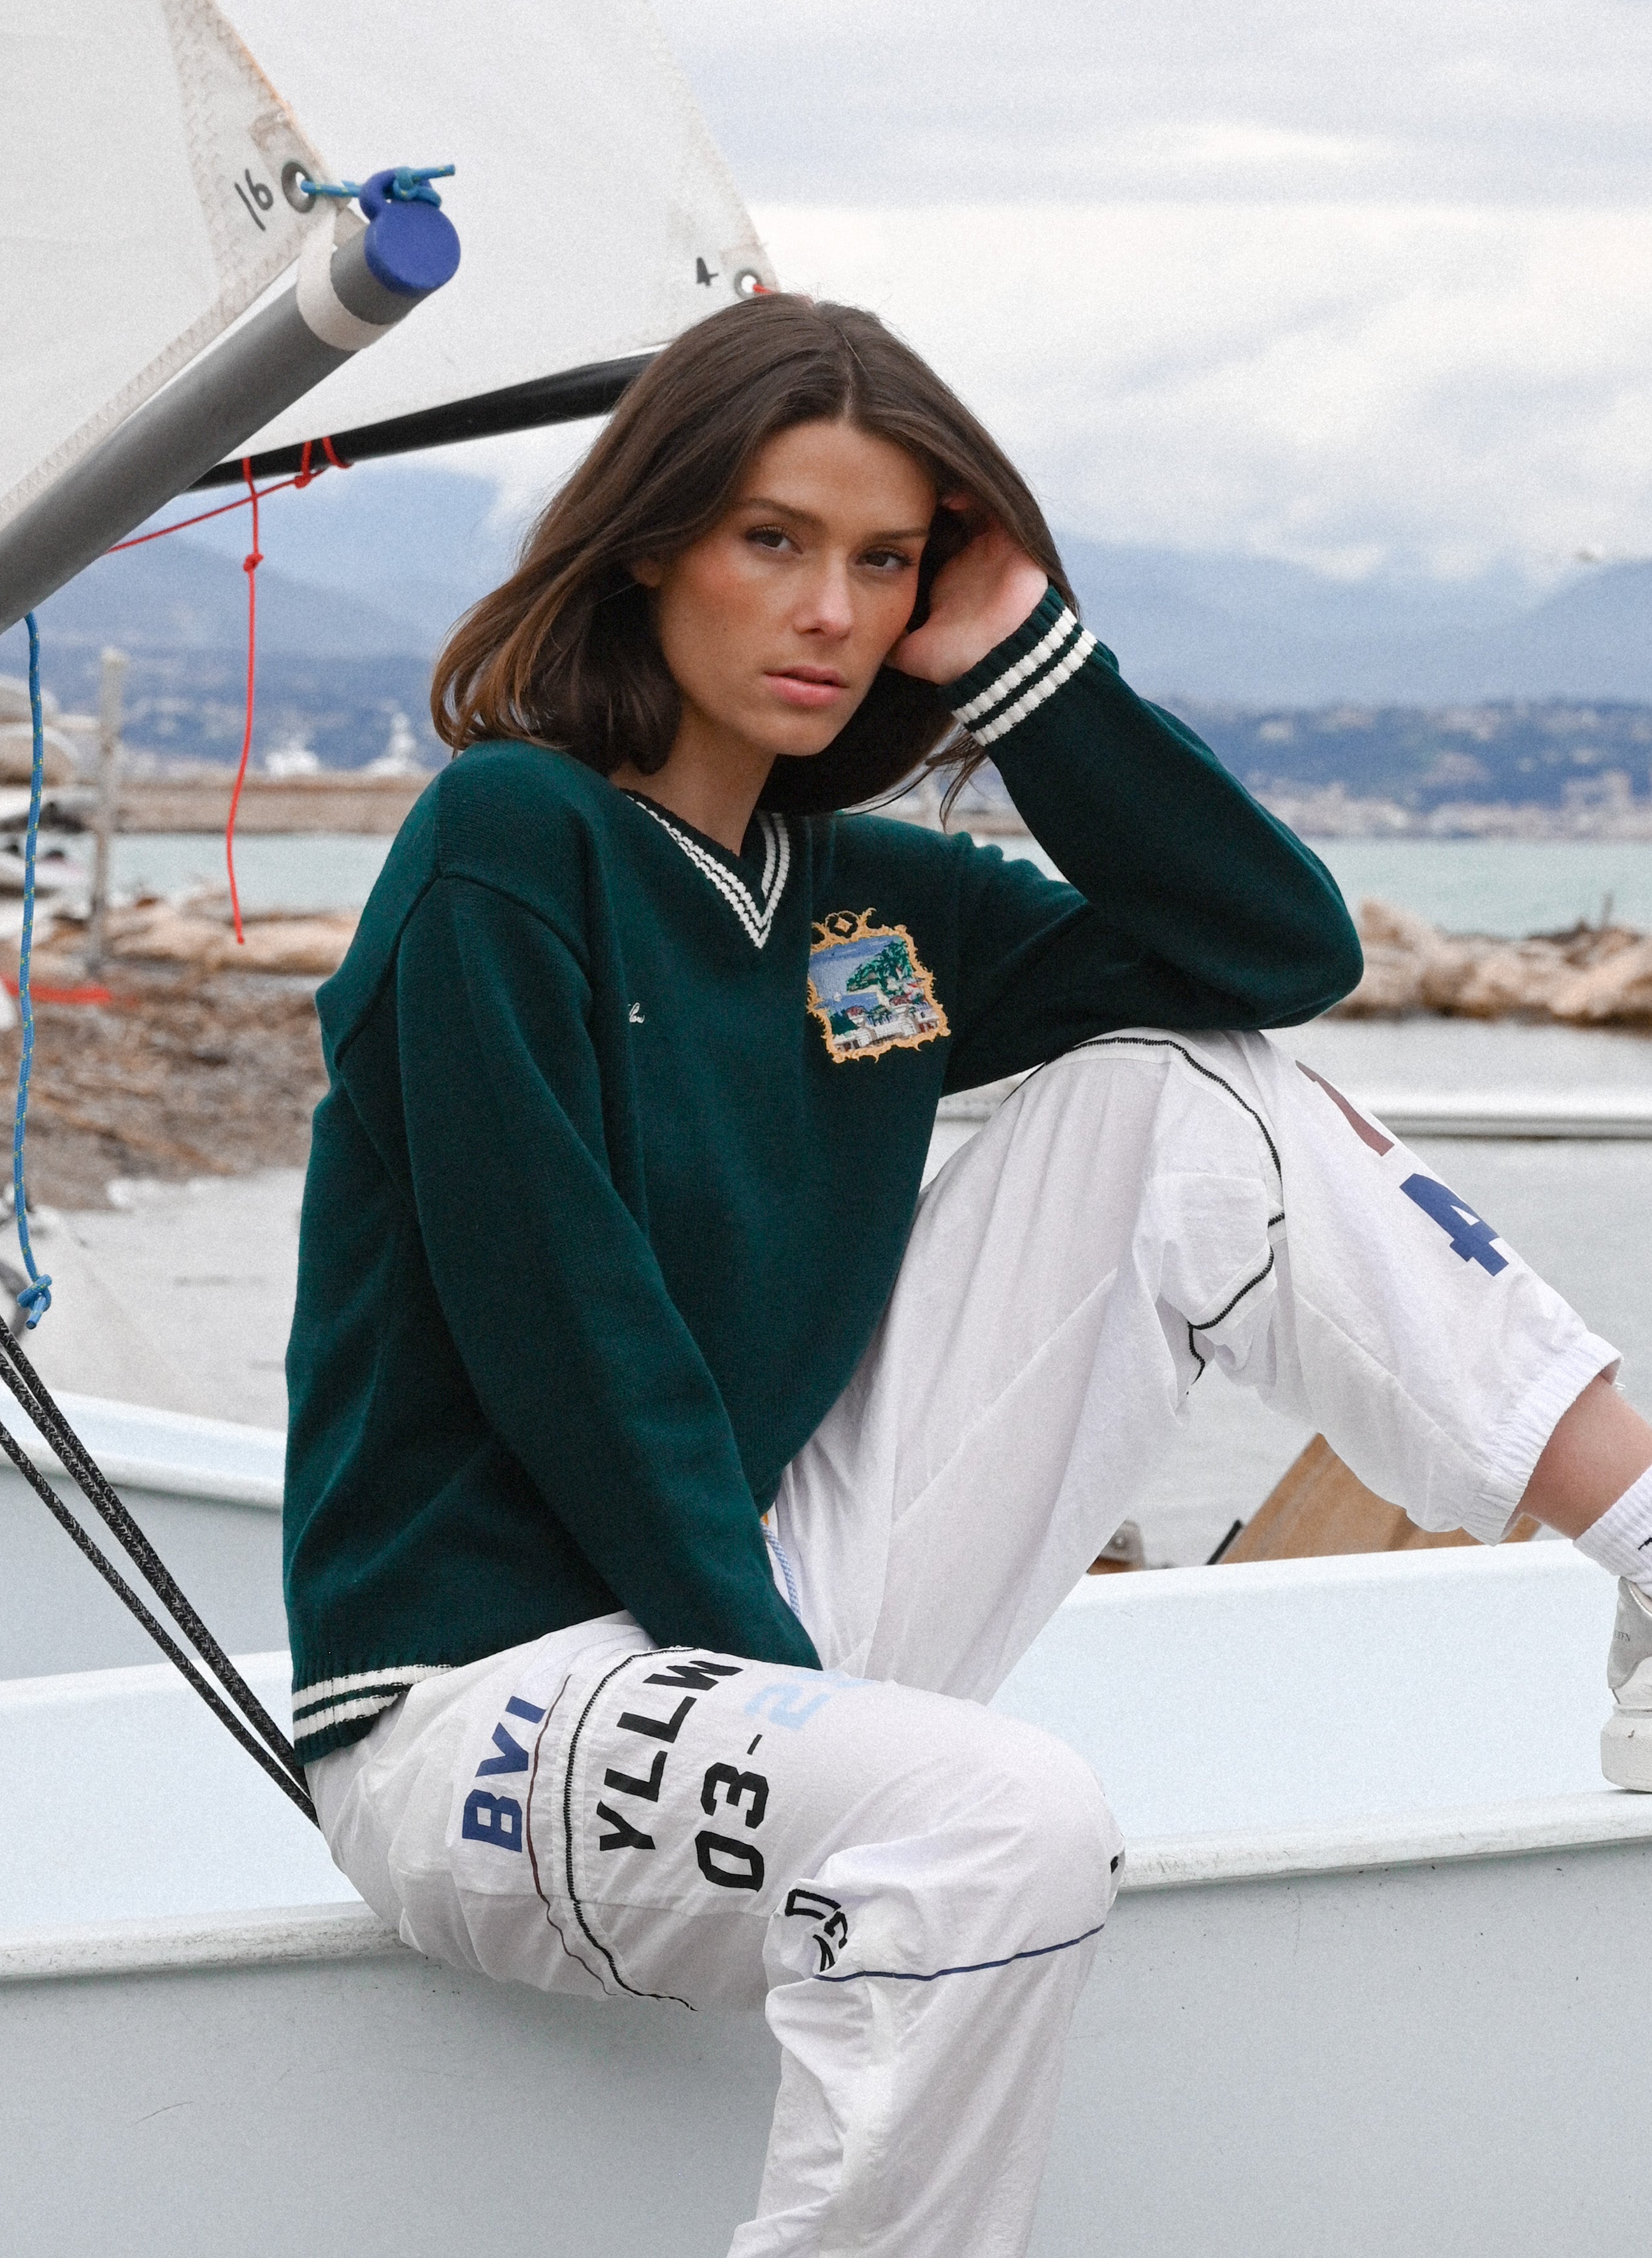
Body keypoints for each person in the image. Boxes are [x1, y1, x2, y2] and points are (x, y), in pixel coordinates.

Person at [284, 294, 1652, 2257]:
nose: (829, 612)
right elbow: (572, 1338)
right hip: (482, 1708)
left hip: (750, 1634)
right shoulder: (511, 841)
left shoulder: (862, 902)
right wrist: (818, 1732)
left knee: (1186, 1096)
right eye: (773, 540)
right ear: (649, 543)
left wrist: (1025, 657)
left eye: (884, 561)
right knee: (1000, 1814)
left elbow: (1276, 957)